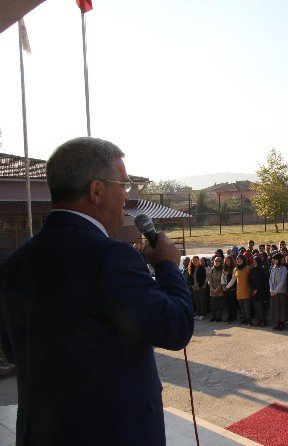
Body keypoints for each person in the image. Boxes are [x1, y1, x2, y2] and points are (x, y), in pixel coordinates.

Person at [0, 137, 193, 445]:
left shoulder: (16, 262)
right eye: (124, 185)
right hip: (112, 433)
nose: (128, 198)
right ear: (97, 191)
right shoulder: (111, 257)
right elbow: (175, 327)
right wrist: (168, 266)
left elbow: (12, 348)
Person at [269, 253, 288, 331]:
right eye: (273, 259)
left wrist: (276, 291)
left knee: (281, 308)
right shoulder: (272, 268)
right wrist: (271, 289)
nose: (274, 261)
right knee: (276, 308)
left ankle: (282, 323)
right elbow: (270, 279)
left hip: (281, 292)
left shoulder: (284, 269)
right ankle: (277, 323)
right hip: (273, 292)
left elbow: (282, 281)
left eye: (276, 259)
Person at [207, 256, 226, 322]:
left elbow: (223, 281)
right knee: (213, 304)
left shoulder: (223, 270)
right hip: (212, 290)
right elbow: (210, 280)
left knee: (220, 304)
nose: (217, 262)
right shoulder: (212, 270)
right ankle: (213, 316)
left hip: (220, 289)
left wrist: (217, 289)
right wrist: (212, 288)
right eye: (216, 261)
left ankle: (220, 316)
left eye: (219, 261)